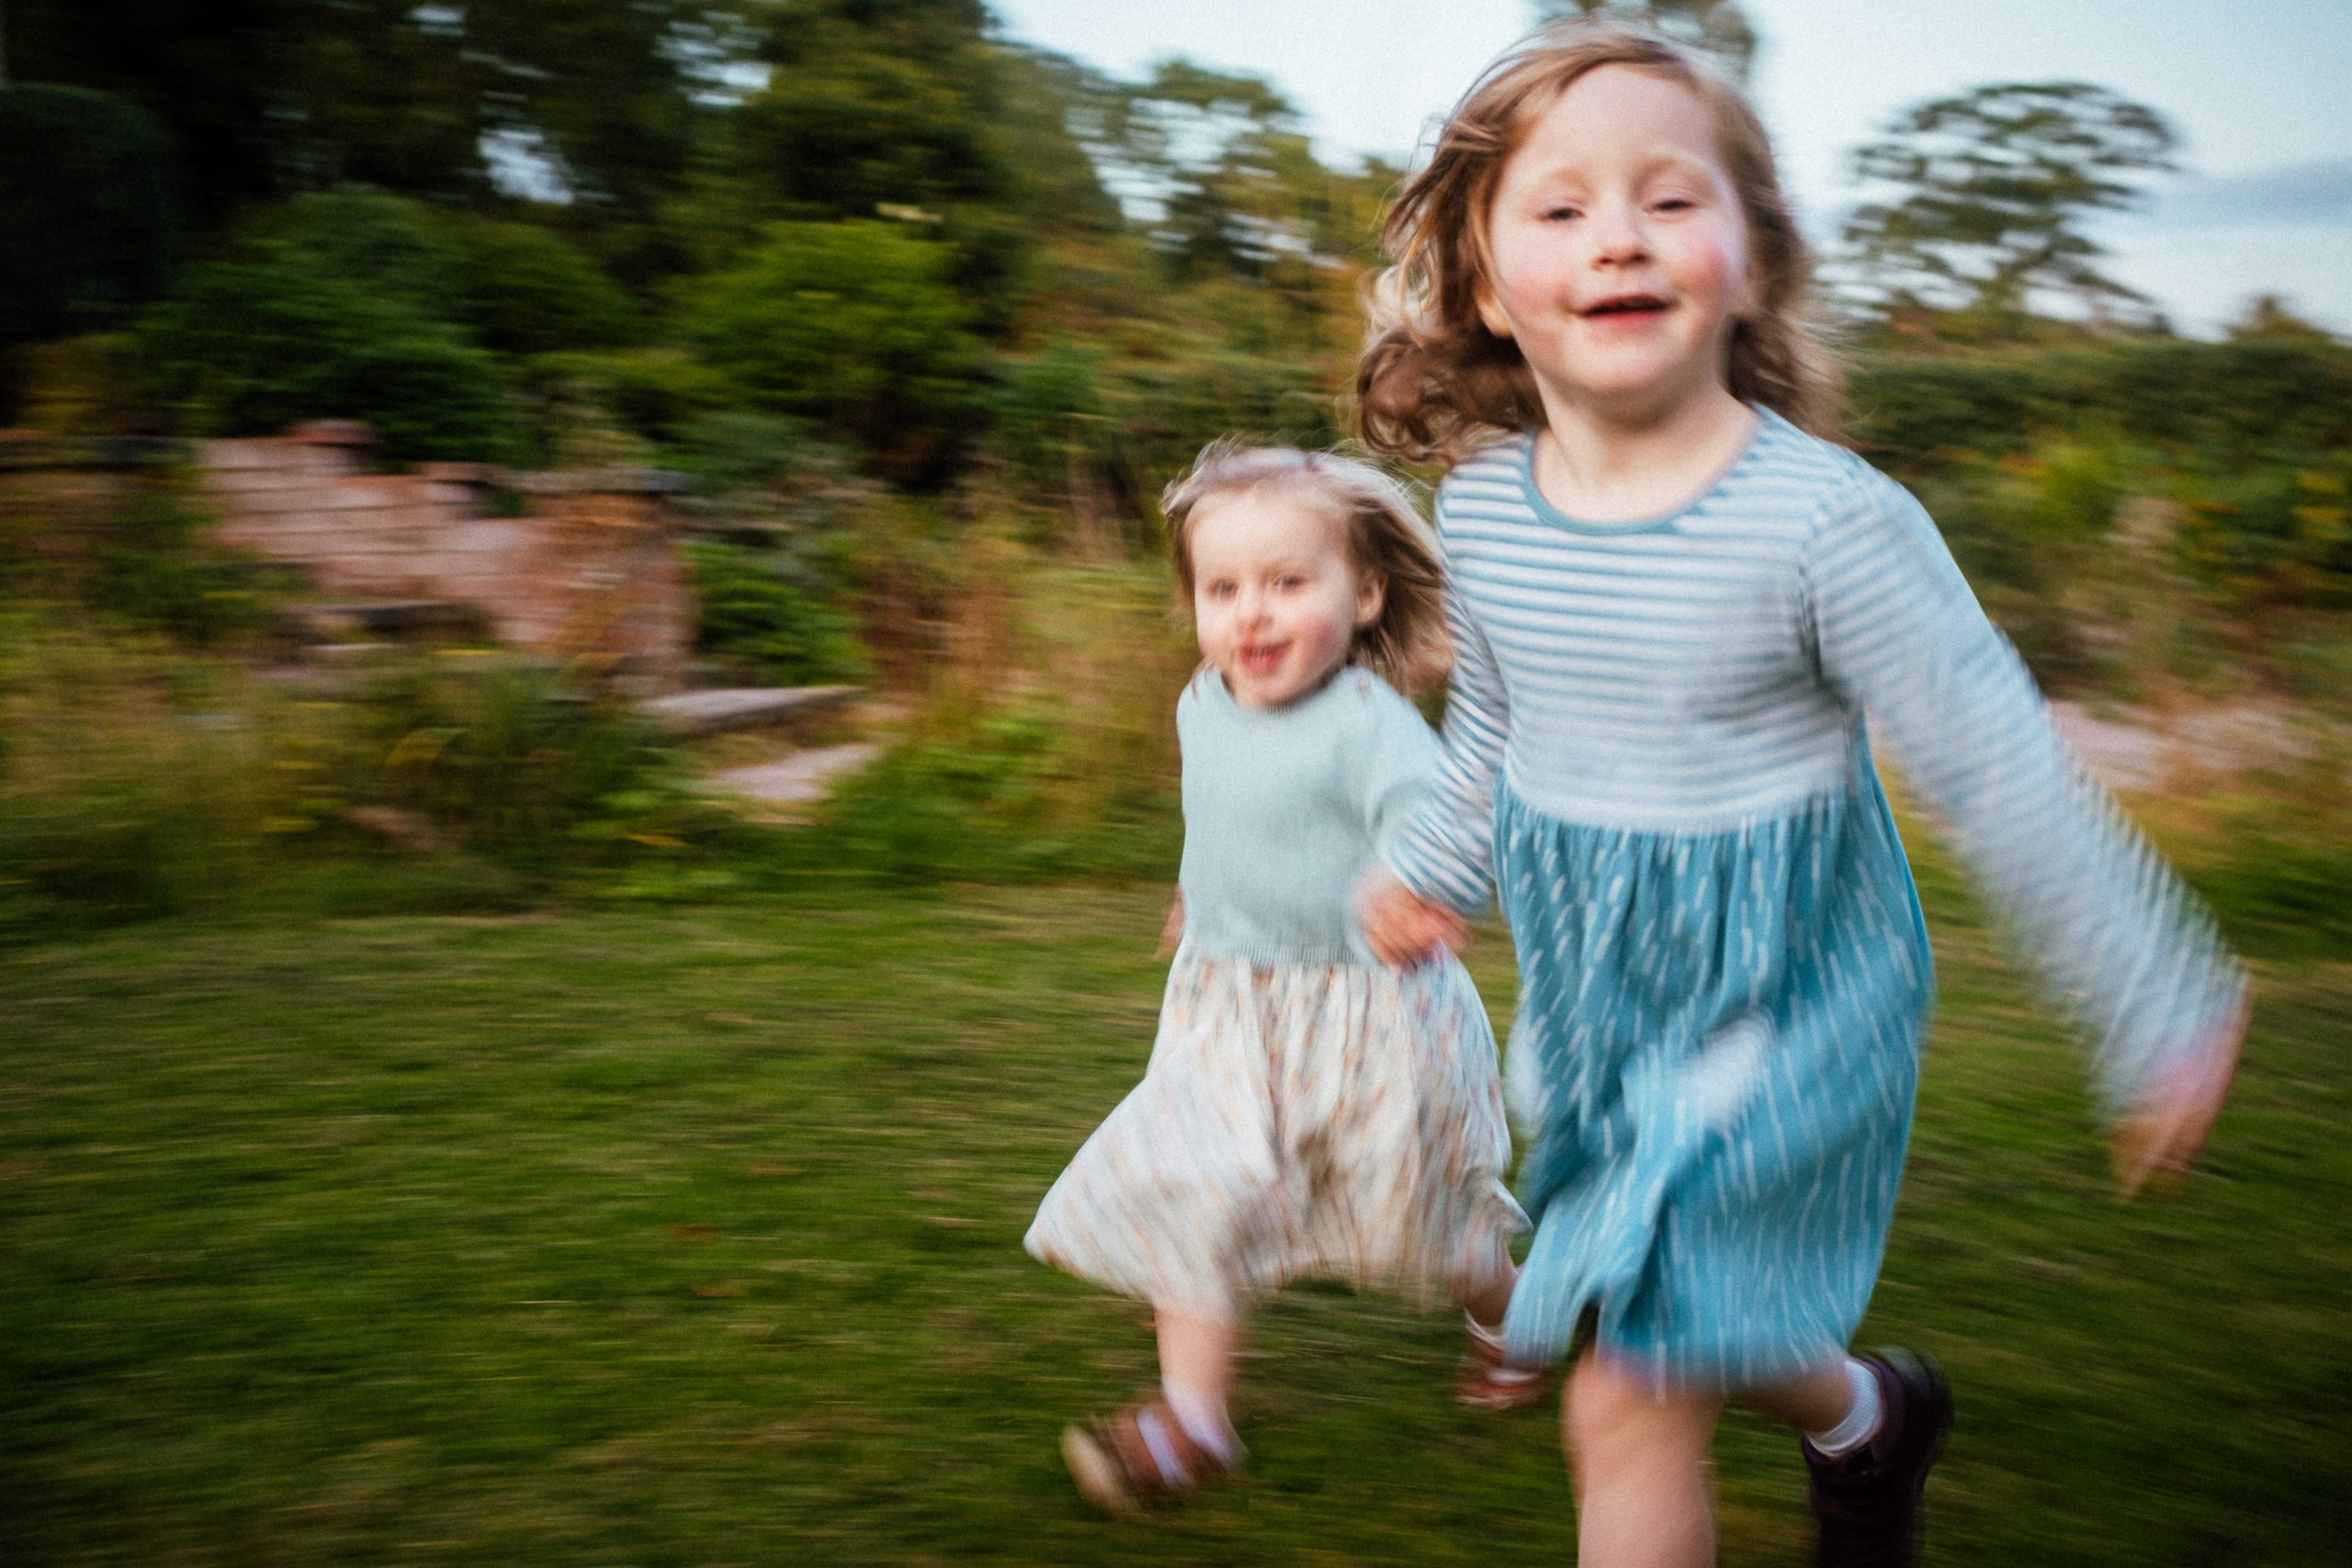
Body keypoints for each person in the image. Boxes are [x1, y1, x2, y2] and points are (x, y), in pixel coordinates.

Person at [1351, 18, 2247, 1568]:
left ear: (1750, 256)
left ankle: (1844, 1412)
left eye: (1669, 198)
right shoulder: (1484, 509)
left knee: (1624, 1385)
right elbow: (1497, 711)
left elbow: (1996, 761)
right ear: (1490, 286)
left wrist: (2154, 989)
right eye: (1558, 209)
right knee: (1679, 1312)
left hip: (1790, 987)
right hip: (1597, 984)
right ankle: (1864, 1413)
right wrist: (1439, 855)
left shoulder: (1828, 523)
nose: (1618, 233)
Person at [1024, 442, 1540, 1515]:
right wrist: (1197, 899)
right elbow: (1219, 818)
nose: (1250, 615)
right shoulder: (1199, 705)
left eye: (1286, 583)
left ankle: (1511, 1311)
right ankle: (1192, 1423)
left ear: (1364, 595)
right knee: (1194, 1185)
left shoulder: (1370, 726)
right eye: (1223, 589)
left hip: (1372, 1014)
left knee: (1427, 1214)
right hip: (1232, 1003)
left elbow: (1436, 820)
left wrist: (1415, 889)